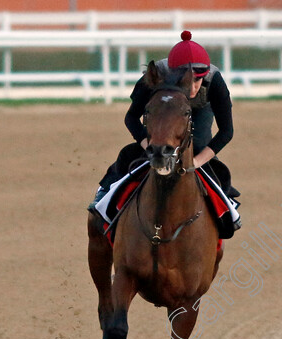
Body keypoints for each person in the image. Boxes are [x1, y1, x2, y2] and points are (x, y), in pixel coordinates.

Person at [88, 31, 240, 221]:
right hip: (163, 108)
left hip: (201, 110)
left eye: (198, 80)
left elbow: (227, 131)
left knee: (199, 144)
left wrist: (196, 163)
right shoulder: (155, 75)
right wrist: (149, 147)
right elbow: (131, 117)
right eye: (187, 80)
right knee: (146, 149)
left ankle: (227, 204)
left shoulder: (215, 80)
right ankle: (105, 192)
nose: (192, 89)